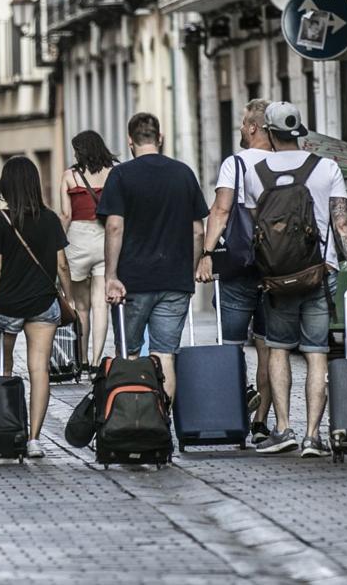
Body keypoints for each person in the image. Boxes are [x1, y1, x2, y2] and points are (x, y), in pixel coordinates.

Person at [242, 102, 347, 457]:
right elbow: (342, 224)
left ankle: (284, 429)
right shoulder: (326, 168)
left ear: (268, 132)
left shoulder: (256, 173)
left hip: (277, 278)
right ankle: (314, 435)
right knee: (316, 354)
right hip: (320, 273)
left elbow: (258, 226)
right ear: (299, 132)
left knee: (279, 349)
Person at [99, 112, 209, 400]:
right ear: (159, 138)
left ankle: (134, 420)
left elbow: (113, 226)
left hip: (132, 281)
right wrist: (190, 268)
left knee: (129, 355)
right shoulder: (183, 173)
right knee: (165, 355)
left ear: (129, 141)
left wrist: (111, 276)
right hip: (174, 279)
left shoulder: (121, 175)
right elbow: (198, 231)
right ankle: (163, 423)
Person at [0, 156, 75, 458]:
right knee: (39, 370)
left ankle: (4, 431)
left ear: (6, 185)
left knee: (2, 369)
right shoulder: (50, 220)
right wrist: (68, 297)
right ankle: (33, 439)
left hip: (4, 307)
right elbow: (61, 264)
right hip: (42, 305)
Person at [196, 99, 273, 444]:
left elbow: (221, 210)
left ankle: (238, 410)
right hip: (278, 268)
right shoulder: (288, 161)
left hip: (239, 265)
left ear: (254, 127)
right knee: (272, 348)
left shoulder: (236, 164)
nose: (240, 128)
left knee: (231, 345)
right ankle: (261, 422)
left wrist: (207, 253)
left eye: (244, 123)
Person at [58, 130, 116, 371]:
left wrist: (58, 244)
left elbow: (66, 215)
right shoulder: (114, 172)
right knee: (101, 305)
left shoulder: (70, 176)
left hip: (78, 240)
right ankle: (95, 363)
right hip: (104, 239)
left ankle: (80, 360)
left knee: (81, 306)